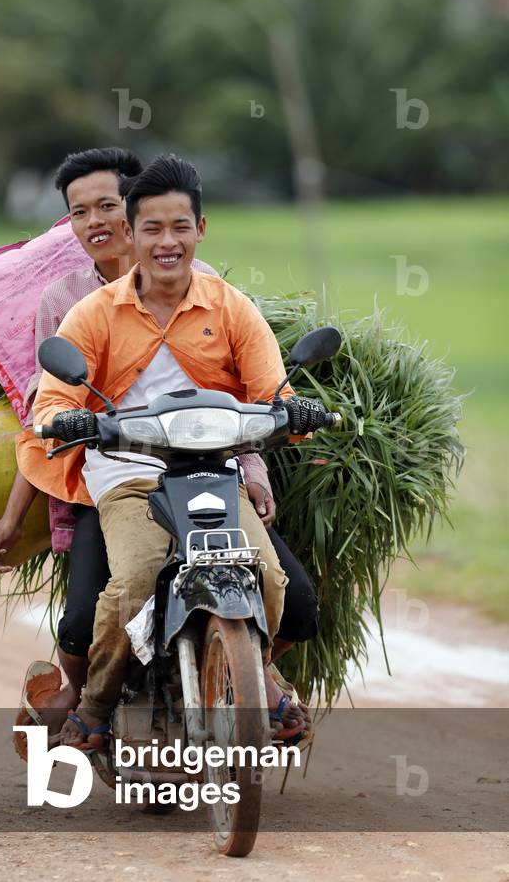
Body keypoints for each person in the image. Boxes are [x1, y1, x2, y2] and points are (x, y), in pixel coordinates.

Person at [31, 155, 321, 748]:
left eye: (180, 227)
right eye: (153, 230)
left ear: (201, 230)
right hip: (128, 474)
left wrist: (295, 414)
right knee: (133, 583)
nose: (168, 242)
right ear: (132, 236)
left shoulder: (232, 306)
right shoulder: (90, 312)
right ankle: (95, 703)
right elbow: (48, 405)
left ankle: (254, 671)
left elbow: (272, 390)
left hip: (213, 467)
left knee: (268, 574)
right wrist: (69, 419)